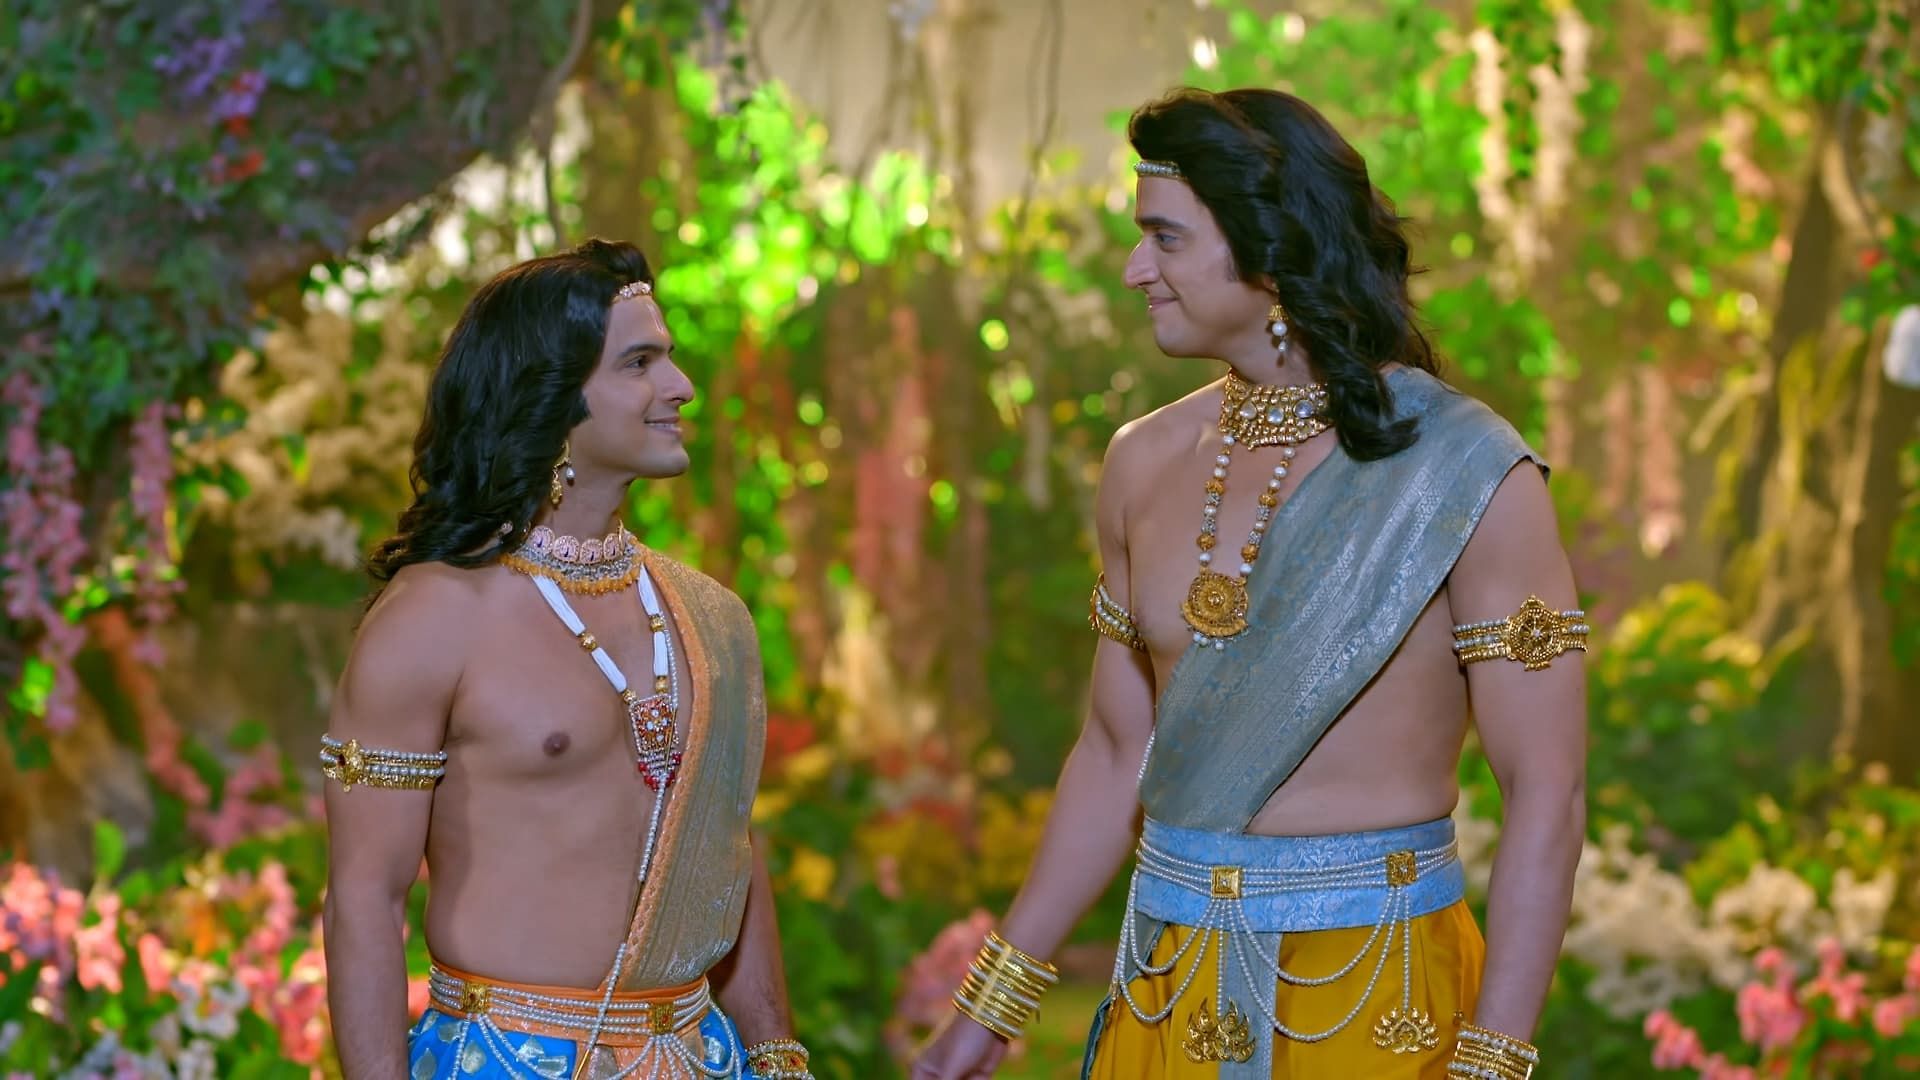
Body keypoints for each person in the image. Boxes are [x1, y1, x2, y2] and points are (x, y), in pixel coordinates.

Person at [913, 88, 1587, 1080]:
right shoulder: (1142, 462)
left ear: (1269, 253)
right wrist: (992, 1004)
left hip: (1381, 1003)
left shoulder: (1467, 472)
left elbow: (1547, 795)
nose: (1136, 269)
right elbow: (1115, 752)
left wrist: (1492, 1063)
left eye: (1165, 239)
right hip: (1168, 991)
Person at [321, 239, 815, 1080]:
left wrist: (775, 1055)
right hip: (502, 1059)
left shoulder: (710, 618)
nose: (680, 386)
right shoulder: (434, 616)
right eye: (640, 362)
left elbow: (726, 856)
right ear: (549, 395)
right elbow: (364, 900)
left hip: (700, 1058)